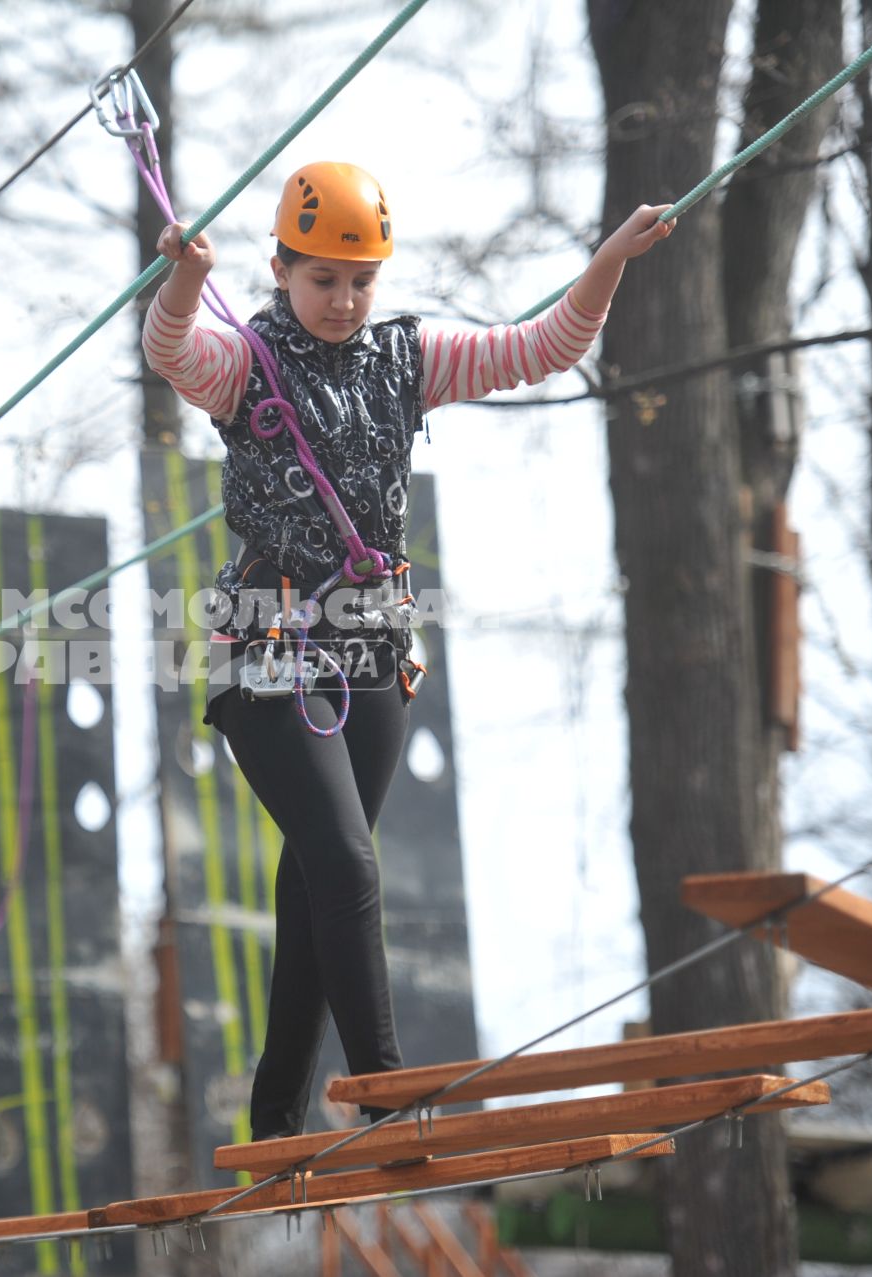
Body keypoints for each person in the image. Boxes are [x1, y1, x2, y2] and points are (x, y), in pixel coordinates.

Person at [141, 161, 675, 1141]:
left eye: (360, 281)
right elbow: (169, 346)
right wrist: (184, 275)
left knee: (317, 877)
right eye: (322, 281)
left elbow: (541, 347)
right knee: (344, 860)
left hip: (373, 648)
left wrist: (610, 260)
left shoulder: (408, 355)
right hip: (270, 644)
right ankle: (387, 1088)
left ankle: (277, 1107)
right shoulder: (244, 362)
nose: (343, 302)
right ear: (281, 270)